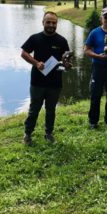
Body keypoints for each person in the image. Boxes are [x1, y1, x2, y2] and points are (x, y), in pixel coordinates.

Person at [21, 11, 71, 144]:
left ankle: (48, 133)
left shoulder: (62, 41)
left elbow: (65, 59)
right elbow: (24, 53)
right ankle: (27, 134)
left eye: (54, 23)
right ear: (43, 22)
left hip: (55, 83)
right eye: (48, 22)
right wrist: (36, 63)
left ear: (57, 24)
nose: (51, 25)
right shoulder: (35, 38)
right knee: (34, 109)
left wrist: (67, 64)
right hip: (37, 81)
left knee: (51, 110)